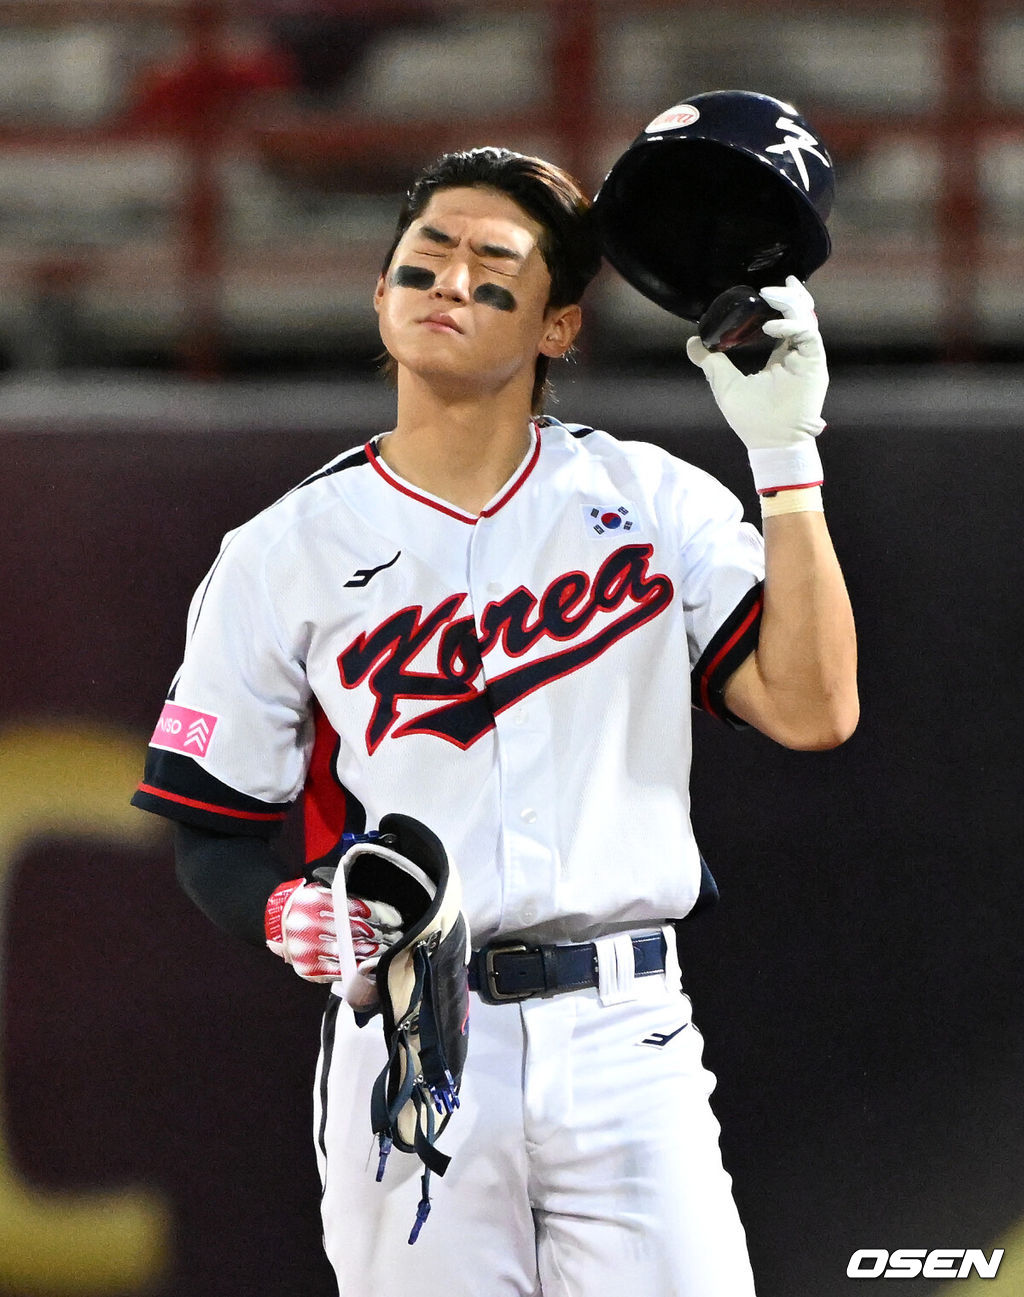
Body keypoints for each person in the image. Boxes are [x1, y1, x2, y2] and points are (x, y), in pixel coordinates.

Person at [131, 145, 858, 1296]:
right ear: (379, 297)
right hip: (412, 1040)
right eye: (423, 260)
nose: (450, 280)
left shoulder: (649, 498)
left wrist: (784, 459)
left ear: (558, 326)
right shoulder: (283, 550)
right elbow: (208, 828)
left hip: (630, 1034)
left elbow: (815, 708)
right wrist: (285, 911)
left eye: (491, 261)